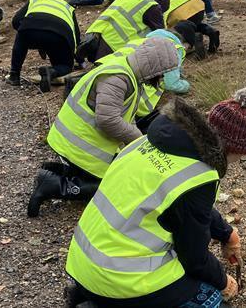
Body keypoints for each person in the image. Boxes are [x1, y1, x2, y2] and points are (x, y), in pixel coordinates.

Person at [64, 88, 246, 308]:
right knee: (212, 299)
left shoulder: (148, 142)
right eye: (245, 155)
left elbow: (185, 206)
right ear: (234, 148)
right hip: (121, 278)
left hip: (83, 261)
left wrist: (227, 233)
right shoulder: (199, 178)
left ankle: (88, 295)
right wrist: (223, 281)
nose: (242, 159)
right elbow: (194, 259)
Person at [27, 37, 181, 217]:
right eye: (162, 73)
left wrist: (134, 145)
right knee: (111, 187)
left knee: (117, 172)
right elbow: (107, 119)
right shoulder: (118, 78)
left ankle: (57, 171)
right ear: (153, 67)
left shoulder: (127, 72)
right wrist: (137, 139)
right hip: (80, 144)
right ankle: (53, 185)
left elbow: (125, 115)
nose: (161, 78)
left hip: (77, 140)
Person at [7, 0, 82, 92]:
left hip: (30, 28)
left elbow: (16, 21)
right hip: (59, 35)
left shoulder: (36, 0)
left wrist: (27, 35)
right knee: (65, 66)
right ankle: (51, 72)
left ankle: (14, 75)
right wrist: (79, 59)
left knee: (21, 36)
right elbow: (76, 35)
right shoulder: (65, 5)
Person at [79, 0, 170, 62]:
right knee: (105, 75)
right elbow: (161, 35)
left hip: (95, 35)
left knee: (98, 71)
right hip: (113, 45)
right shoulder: (153, 7)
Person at [146, 0, 219, 57]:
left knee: (177, 30)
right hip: (198, 6)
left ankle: (193, 38)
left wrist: (163, 31)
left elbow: (158, 7)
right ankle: (210, 30)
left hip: (178, 12)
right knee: (193, 23)